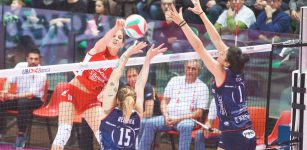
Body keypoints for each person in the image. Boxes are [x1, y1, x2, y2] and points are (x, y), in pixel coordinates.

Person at [167, 1, 256, 149]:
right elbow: (217, 39)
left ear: (227, 63)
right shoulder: (237, 68)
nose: (219, 51)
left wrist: (181, 22)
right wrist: (201, 13)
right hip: (248, 130)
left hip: (232, 131)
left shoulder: (220, 72)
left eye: (222, 53)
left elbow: (199, 47)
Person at [51, 19, 126, 150]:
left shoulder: (117, 64)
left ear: (122, 44)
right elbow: (102, 41)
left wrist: (104, 93)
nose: (115, 39)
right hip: (72, 92)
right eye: (114, 36)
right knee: (63, 133)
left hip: (91, 100)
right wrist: (115, 28)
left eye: (119, 38)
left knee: (103, 137)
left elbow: (110, 84)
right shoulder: (97, 51)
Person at [98, 43, 167, 149]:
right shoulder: (137, 115)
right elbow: (140, 84)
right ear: (134, 101)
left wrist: (126, 54)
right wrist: (148, 58)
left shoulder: (108, 113)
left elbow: (115, 76)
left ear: (117, 100)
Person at [78, 66, 162, 150]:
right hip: (132, 117)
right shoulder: (125, 88)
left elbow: (149, 112)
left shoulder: (148, 88)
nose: (132, 79)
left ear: (139, 76)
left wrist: (130, 117)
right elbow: (113, 103)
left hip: (152, 117)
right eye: (129, 76)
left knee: (143, 123)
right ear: (126, 78)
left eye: (134, 75)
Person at [139, 60, 210, 150]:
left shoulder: (203, 87)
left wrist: (178, 119)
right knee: (149, 123)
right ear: (185, 68)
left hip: (188, 120)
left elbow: (199, 113)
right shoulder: (174, 80)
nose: (190, 71)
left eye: (193, 69)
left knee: (186, 126)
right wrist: (166, 116)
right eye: (188, 68)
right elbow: (164, 101)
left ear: (198, 72)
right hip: (168, 117)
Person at [0, 49, 47, 149]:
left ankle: (21, 135)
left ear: (39, 61)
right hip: (18, 97)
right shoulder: (20, 66)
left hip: (36, 100)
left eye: (36, 59)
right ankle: (0, 132)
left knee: (23, 103)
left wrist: (13, 96)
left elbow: (30, 94)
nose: (33, 61)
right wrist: (5, 92)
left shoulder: (42, 73)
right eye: (31, 59)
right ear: (27, 59)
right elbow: (9, 81)